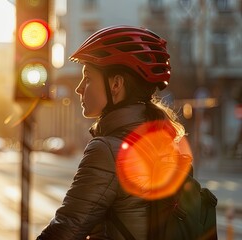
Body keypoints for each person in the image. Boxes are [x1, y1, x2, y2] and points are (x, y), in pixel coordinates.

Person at [36, 25, 192, 240]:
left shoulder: (108, 150)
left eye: (88, 77)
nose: (79, 88)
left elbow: (65, 229)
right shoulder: (164, 143)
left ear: (116, 84)